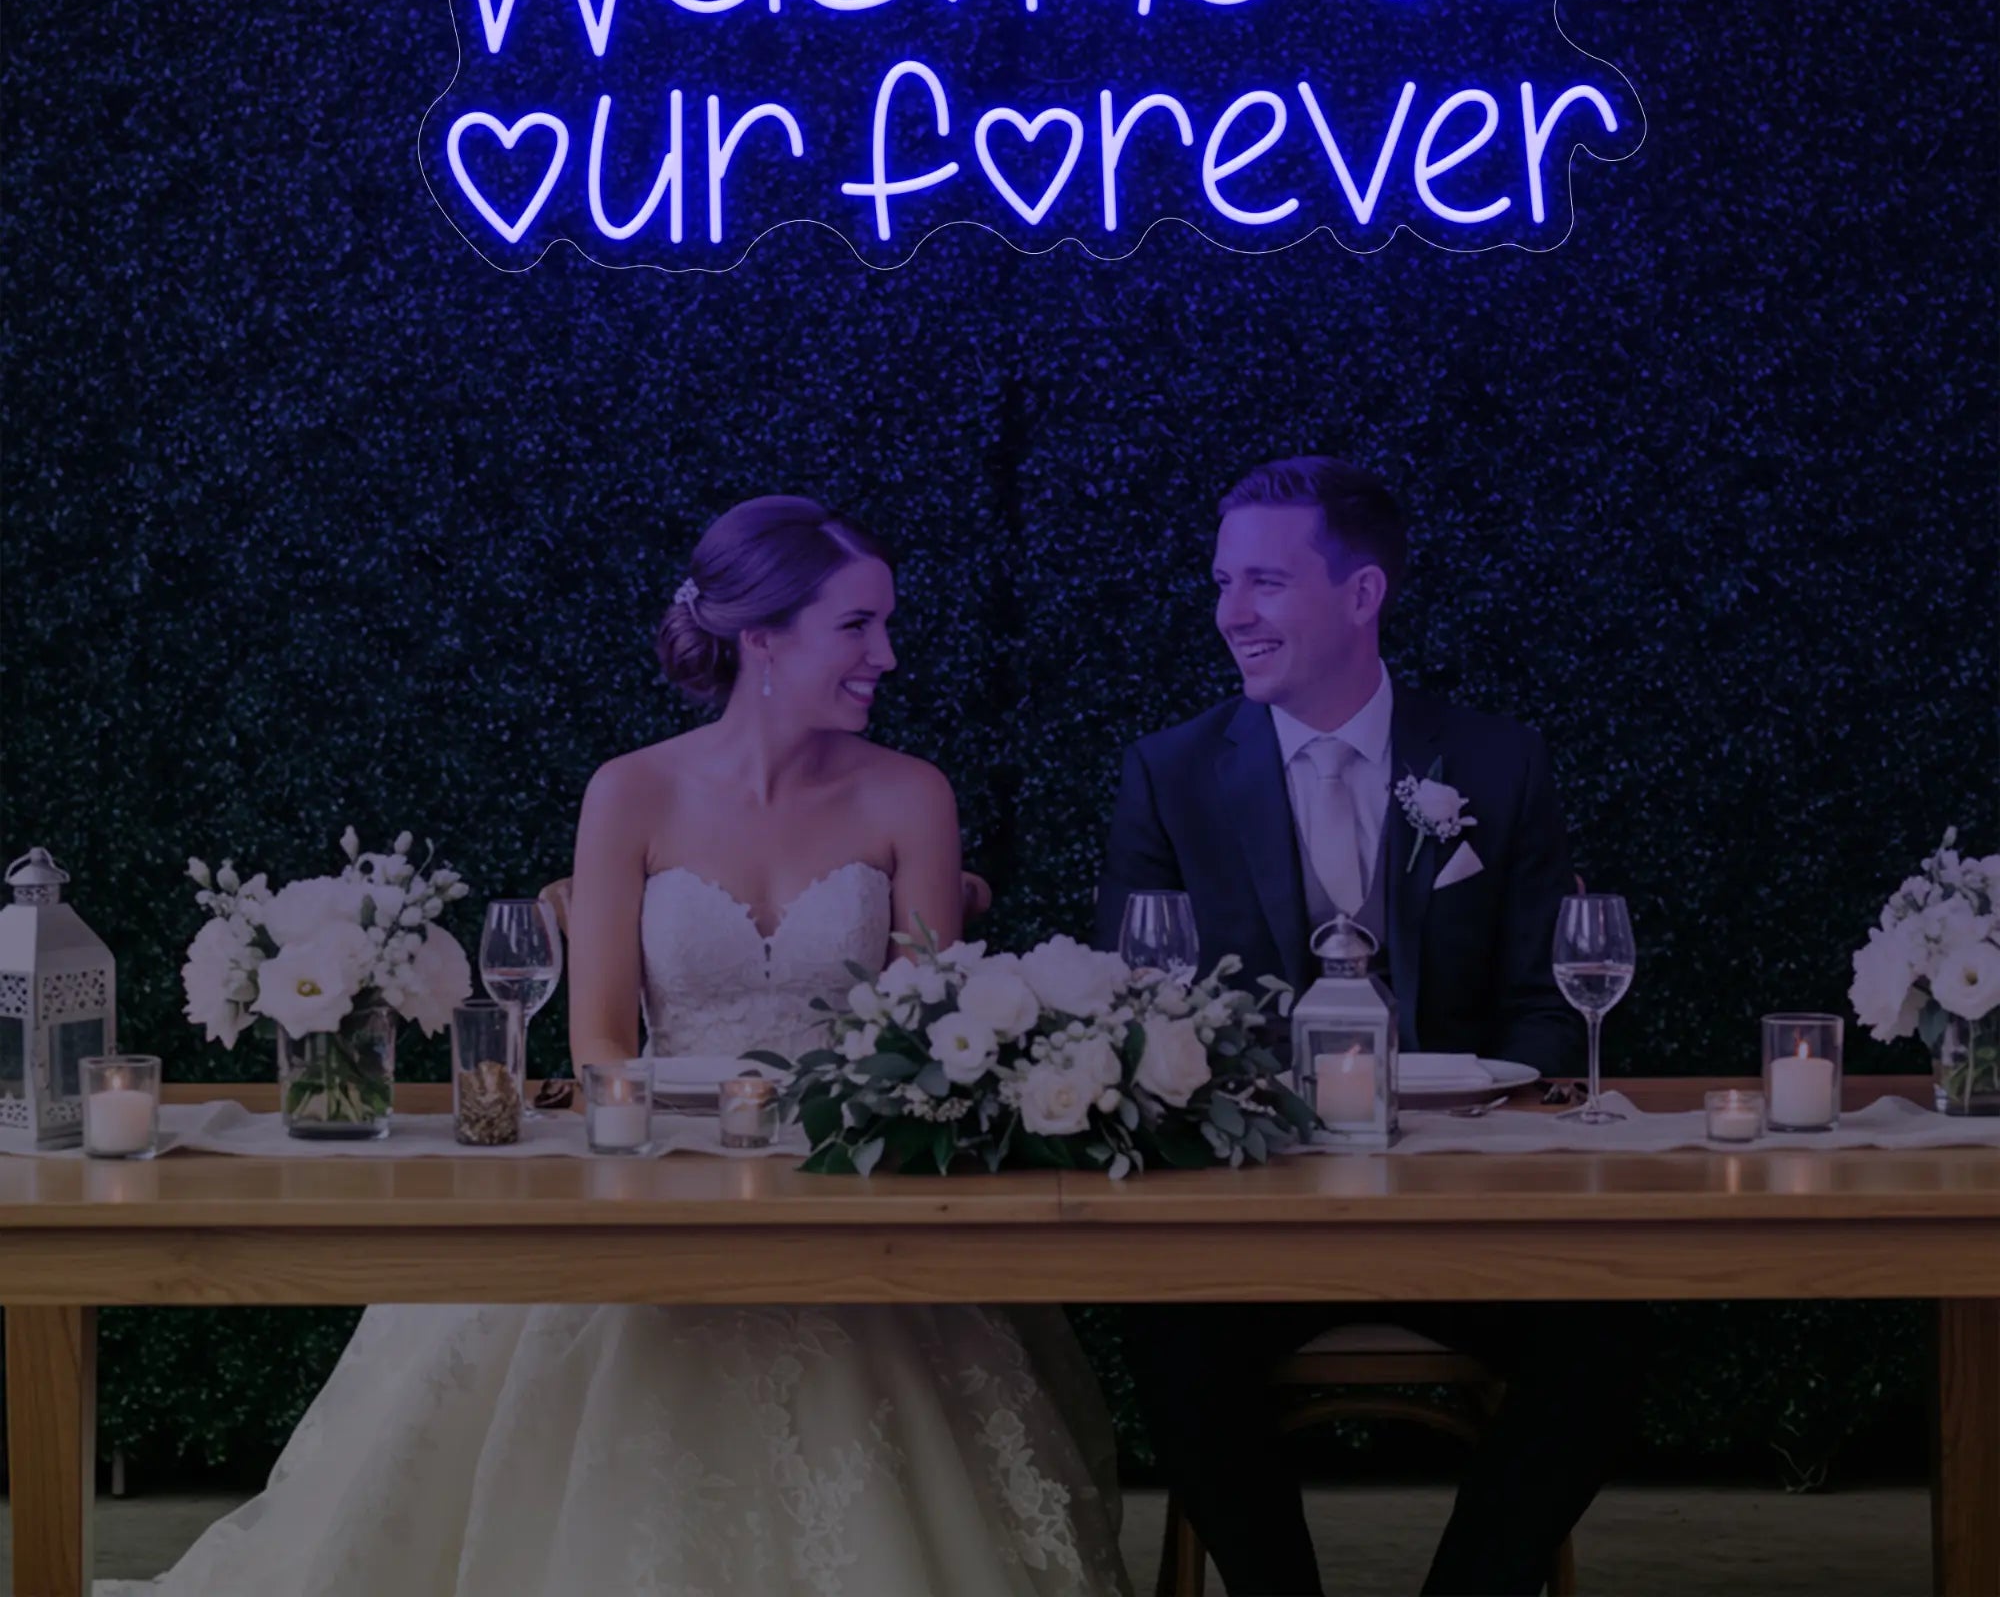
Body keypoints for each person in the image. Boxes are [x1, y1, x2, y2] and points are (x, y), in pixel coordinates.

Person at [120, 496, 1128, 1597]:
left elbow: (919, 1038)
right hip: (648, 1157)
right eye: (857, 624)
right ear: (761, 637)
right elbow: (599, 1032)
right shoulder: (631, 790)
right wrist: (673, 1154)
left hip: (843, 1180)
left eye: (884, 624)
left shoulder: (911, 794)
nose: (886, 652)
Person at [1094, 456, 1644, 1597]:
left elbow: (1547, 999)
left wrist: (1478, 1114)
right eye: (1219, 582)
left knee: (1606, 1337)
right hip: (1253, 1215)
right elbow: (1139, 1008)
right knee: (1173, 1340)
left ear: (1360, 594)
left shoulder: (1494, 760)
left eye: (1261, 582)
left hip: (1466, 1200)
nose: (1228, 614)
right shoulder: (1170, 774)